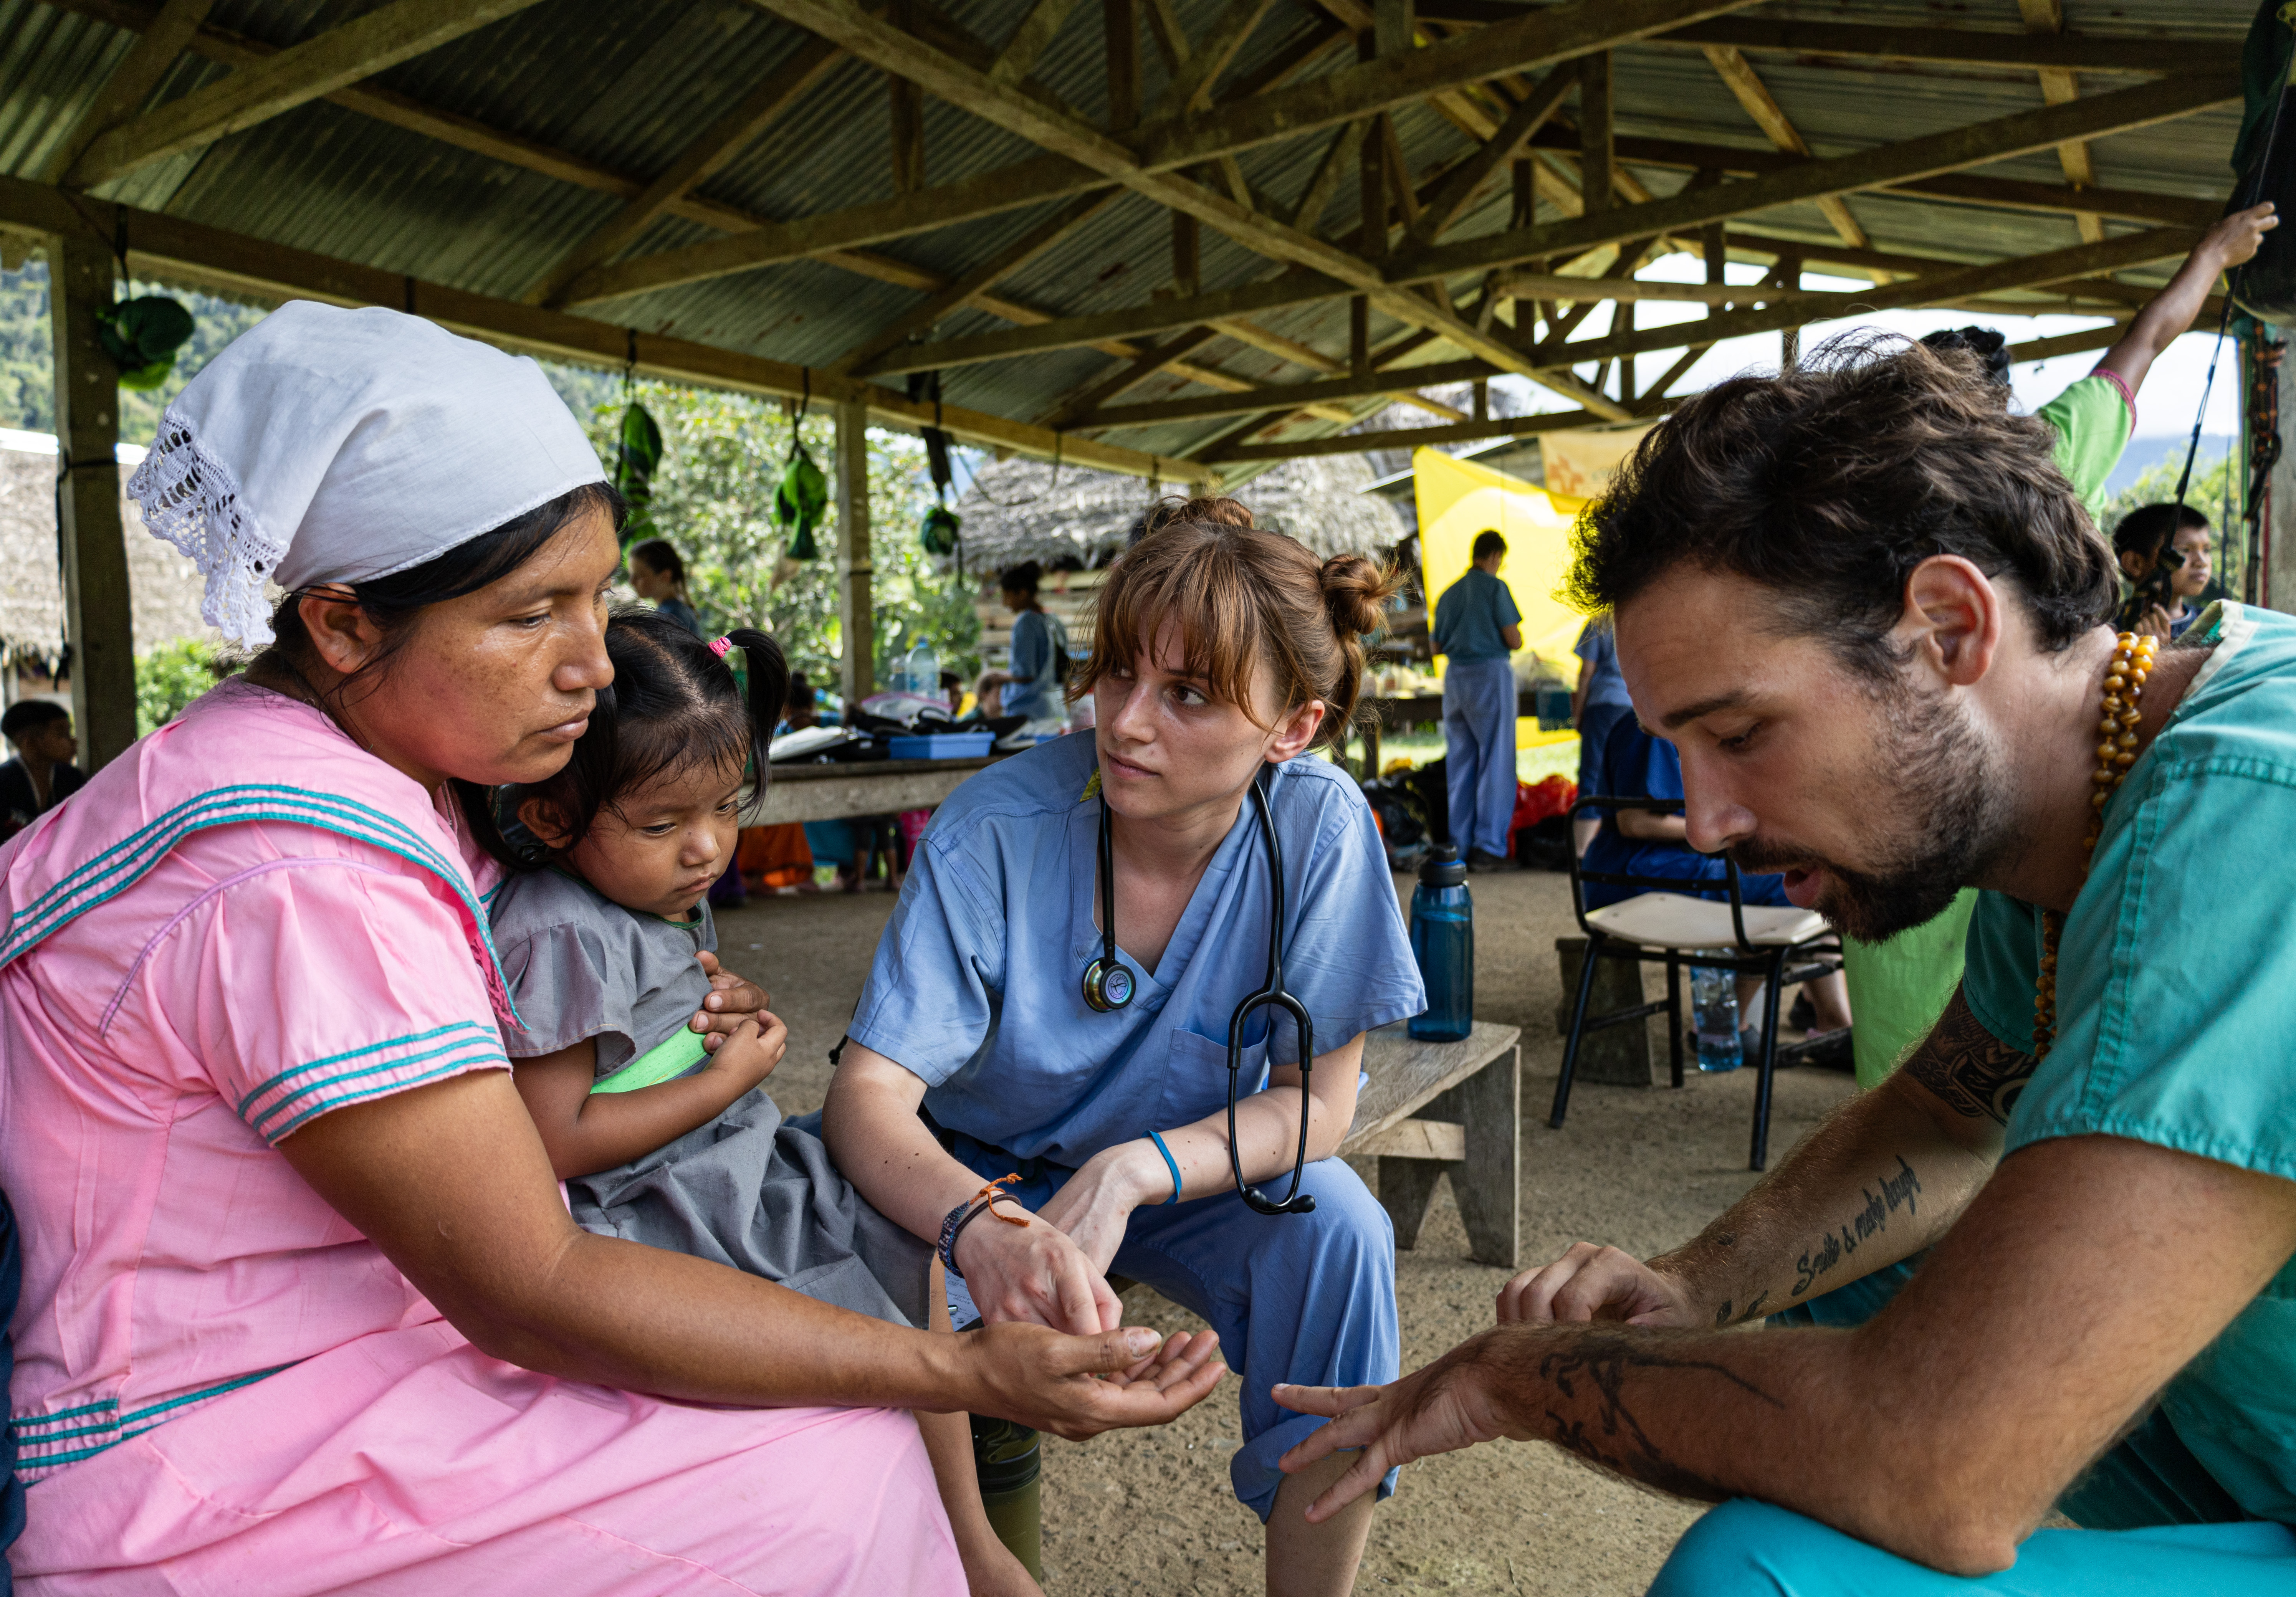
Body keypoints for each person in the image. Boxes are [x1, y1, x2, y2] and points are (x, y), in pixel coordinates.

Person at [0, 302, 1221, 1593]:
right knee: (832, 1466)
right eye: (533, 616)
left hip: (335, 1348)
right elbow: (532, 1281)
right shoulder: (297, 878)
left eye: (595, 599)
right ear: (344, 625)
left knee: (827, 1391)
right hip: (216, 1449)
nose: (593, 665)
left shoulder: (342, 767)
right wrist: (961, 1371)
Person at [1270, 336, 2296, 1591]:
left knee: (1758, 1571)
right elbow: (1944, 1108)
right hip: (2237, 1433)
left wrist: (1519, 1379)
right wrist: (1692, 1289)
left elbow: (1935, 1469)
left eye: (1742, 733)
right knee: (1830, 1304)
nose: (1703, 823)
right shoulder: (2092, 805)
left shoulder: (2256, 811)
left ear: (1948, 628)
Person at [822, 498, 1426, 1597]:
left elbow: (1316, 1111)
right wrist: (984, 1228)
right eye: (1114, 675)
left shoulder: (1320, 828)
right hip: (978, 1173)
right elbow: (866, 1099)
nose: (1126, 722)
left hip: (1179, 1171)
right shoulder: (994, 831)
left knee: (1340, 1230)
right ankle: (979, 1564)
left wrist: (1129, 1173)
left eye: (1187, 694)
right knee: (854, 1245)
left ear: (1294, 725)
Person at [488, 606, 1032, 1592]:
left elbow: (649, 1033)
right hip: (662, 1203)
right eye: (664, 824)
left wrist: (725, 1043)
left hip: (728, 1153)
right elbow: (553, 1141)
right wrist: (725, 1082)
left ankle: (969, 1537)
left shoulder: (637, 891)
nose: (705, 849)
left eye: (727, 808)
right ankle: (964, 1541)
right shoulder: (564, 934)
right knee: (875, 1306)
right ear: (550, 815)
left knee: (902, 1222)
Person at [1580, 716, 1853, 1035]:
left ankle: (1826, 1017)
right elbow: (1636, 823)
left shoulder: (1690, 723)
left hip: (1666, 867)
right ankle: (1724, 1025)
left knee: (1806, 888)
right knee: (1790, 891)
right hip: (1638, 873)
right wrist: (1727, 832)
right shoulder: (1649, 728)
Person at [1432, 529, 1523, 871]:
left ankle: (1459, 845)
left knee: (1461, 762)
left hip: (1456, 679)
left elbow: (1435, 647)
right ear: (1497, 556)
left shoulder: (1449, 594)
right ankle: (1490, 846)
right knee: (1497, 760)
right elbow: (1513, 639)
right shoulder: (1496, 588)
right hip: (1489, 674)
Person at [1570, 616, 1632, 855]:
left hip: (1603, 705)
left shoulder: (1599, 622)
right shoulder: (1642, 614)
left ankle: (1582, 852)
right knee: (1627, 775)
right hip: (1633, 706)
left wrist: (1578, 712)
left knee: (1592, 776)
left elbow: (1587, 671)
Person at [2112, 501, 2216, 641]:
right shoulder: (2105, 628)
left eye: (2206, 551)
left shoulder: (2214, 626)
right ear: (2135, 563)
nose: (2202, 562)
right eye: (2184, 550)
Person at [998, 562, 1069, 729]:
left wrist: (997, 678)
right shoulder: (1053, 619)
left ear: (1022, 593)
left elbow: (1025, 674)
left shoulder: (1025, 623)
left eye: (1006, 595)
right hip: (1056, 708)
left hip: (1031, 714)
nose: (1004, 603)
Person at [0, 701, 84, 841]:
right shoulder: (4, 782)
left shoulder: (72, 778)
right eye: (62, 734)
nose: (73, 741)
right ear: (30, 743)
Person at [626, 536, 702, 636]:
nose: (632, 582)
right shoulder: (678, 610)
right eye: (631, 575)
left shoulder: (670, 617)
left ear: (665, 576)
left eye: (640, 576)